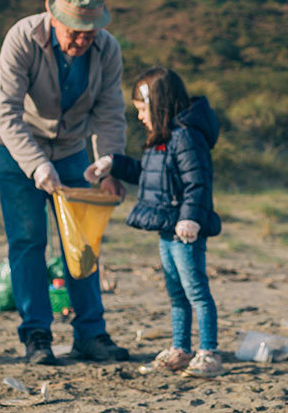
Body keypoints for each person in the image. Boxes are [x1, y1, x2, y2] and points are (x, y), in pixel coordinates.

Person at [0, 0, 129, 365]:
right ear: (54, 18)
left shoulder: (107, 49)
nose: (82, 40)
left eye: (90, 33)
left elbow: (110, 113)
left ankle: (91, 333)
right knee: (29, 242)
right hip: (16, 149)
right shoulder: (22, 36)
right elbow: (5, 111)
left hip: (71, 151)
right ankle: (37, 335)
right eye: (75, 32)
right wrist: (36, 164)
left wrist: (108, 165)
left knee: (82, 243)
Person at [86, 67, 224, 378]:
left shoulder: (187, 137)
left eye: (142, 109)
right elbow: (148, 177)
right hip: (166, 231)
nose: (139, 117)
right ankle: (180, 348)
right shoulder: (160, 140)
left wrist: (190, 218)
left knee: (196, 291)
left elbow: (198, 183)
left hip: (185, 232)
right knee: (176, 292)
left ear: (159, 105)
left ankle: (209, 352)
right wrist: (113, 164)